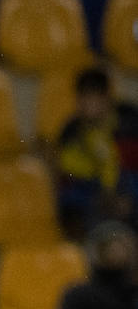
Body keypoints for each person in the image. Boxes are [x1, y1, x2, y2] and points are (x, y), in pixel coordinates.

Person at [54, 67, 138, 240]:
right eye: (84, 97)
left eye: (95, 97)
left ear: (107, 98)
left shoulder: (130, 121)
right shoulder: (71, 132)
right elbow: (71, 175)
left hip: (129, 194)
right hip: (92, 199)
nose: (89, 104)